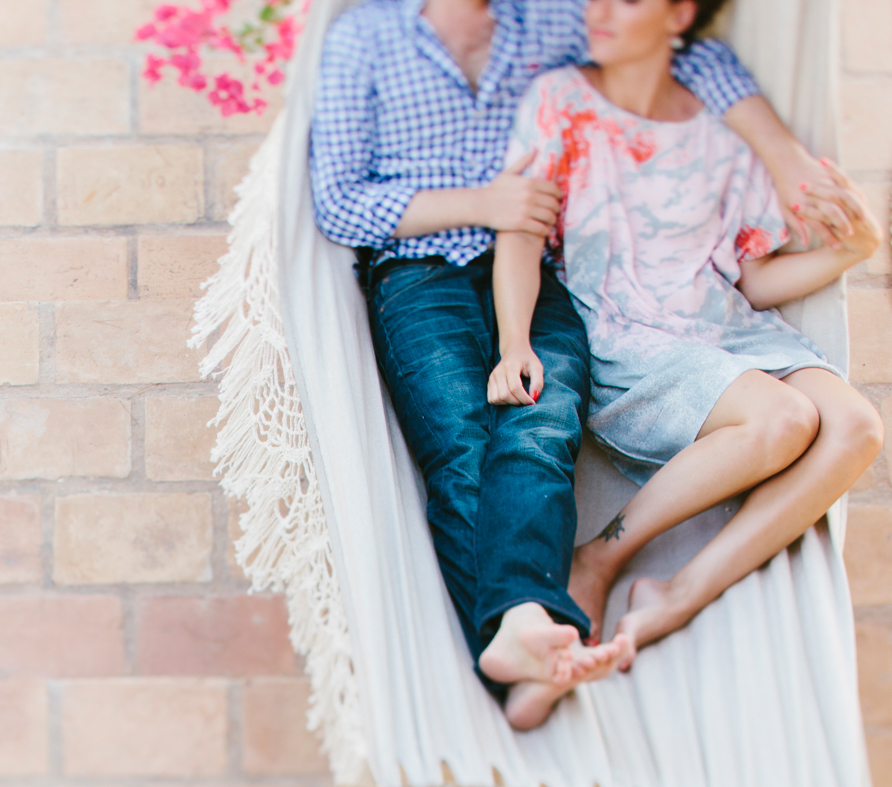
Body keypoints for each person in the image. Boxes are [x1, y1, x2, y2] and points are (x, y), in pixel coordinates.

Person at [309, 0, 862, 730]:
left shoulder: (549, 19)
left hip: (555, 275)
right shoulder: (365, 36)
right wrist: (487, 204)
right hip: (423, 269)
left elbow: (684, 53)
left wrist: (796, 168)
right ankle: (520, 634)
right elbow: (337, 204)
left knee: (541, 430)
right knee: (462, 443)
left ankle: (570, 616)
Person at [491, 0, 884, 725]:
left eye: (627, 0)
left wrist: (850, 255)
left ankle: (678, 592)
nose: (599, 12)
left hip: (728, 330)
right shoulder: (562, 101)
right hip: (630, 339)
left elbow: (751, 280)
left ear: (679, 16)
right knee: (785, 419)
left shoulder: (720, 137)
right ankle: (599, 560)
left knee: (859, 428)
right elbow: (520, 231)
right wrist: (515, 341)